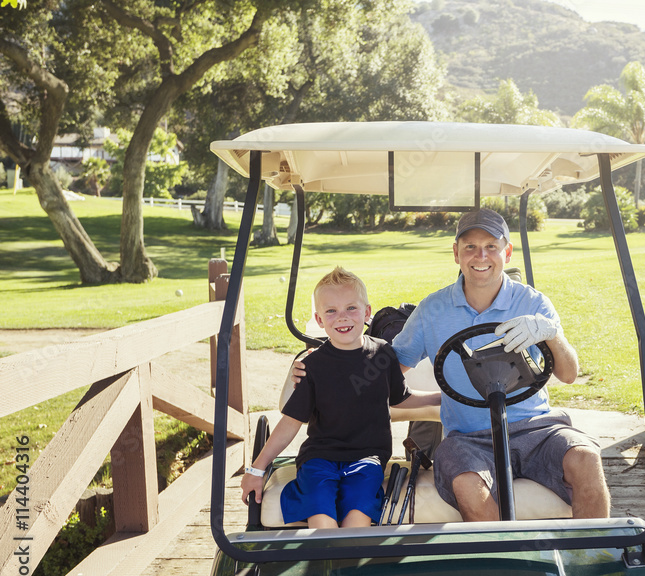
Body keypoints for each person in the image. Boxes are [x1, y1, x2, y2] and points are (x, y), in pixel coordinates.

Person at [392, 208, 610, 521]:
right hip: (469, 439)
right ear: (456, 254)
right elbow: (391, 368)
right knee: (466, 480)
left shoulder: (533, 303)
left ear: (506, 252)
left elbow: (569, 374)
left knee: (586, 457)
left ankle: (595, 558)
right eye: (470, 247)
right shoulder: (432, 309)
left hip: (537, 428)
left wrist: (552, 334)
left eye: (491, 246)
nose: (481, 255)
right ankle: (512, 562)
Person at [241, 267, 439, 529]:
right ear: (319, 319)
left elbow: (400, 399)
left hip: (367, 458)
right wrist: (256, 469)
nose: (341, 318)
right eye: (331, 311)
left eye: (351, 308)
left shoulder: (383, 355)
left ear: (367, 313)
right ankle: (330, 564)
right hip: (319, 457)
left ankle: (345, 565)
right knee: (321, 512)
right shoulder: (312, 366)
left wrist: (440, 398)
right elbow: (290, 422)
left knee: (358, 515)